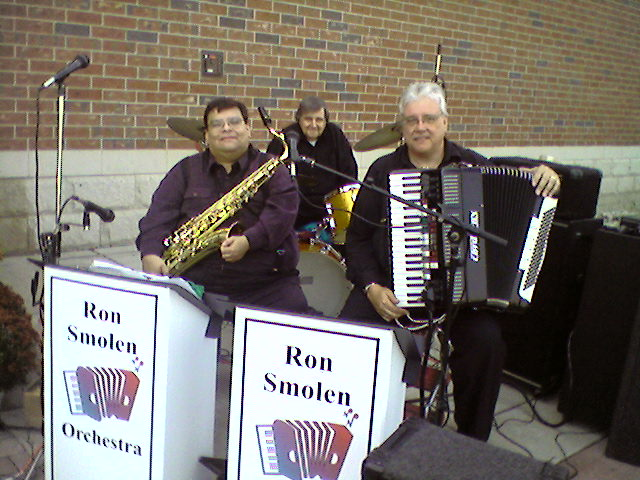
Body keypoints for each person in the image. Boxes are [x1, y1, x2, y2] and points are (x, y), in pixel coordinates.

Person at [339, 82, 561, 441]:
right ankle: (349, 424)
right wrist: (371, 286)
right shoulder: (383, 170)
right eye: (411, 120)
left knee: (486, 345)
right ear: (402, 127)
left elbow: (523, 179)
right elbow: (358, 239)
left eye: (429, 118)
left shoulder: (472, 165)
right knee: (345, 334)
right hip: (390, 291)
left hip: (461, 299)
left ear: (444, 123)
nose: (420, 127)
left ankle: (471, 443)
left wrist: (548, 174)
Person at [136, 97, 309, 314]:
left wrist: (249, 241)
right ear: (206, 135)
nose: (226, 128)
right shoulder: (185, 170)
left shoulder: (273, 169)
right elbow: (157, 217)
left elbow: (283, 214)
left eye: (234, 122)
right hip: (195, 283)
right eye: (217, 124)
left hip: (266, 285)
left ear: (248, 128)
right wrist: (150, 254)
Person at [266, 96, 358, 238]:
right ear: (299, 119)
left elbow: (350, 174)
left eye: (319, 120)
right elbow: (270, 181)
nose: (314, 124)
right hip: (295, 216)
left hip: (330, 213)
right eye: (308, 119)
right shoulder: (284, 139)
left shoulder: (335, 135)